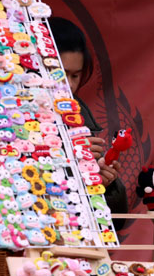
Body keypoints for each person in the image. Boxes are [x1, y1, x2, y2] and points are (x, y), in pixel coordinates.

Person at [49, 16, 128, 218]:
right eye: (60, 73)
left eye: (75, 76)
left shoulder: (82, 116)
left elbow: (116, 217)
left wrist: (103, 184)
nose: (69, 84)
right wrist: (67, 158)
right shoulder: (13, 113)